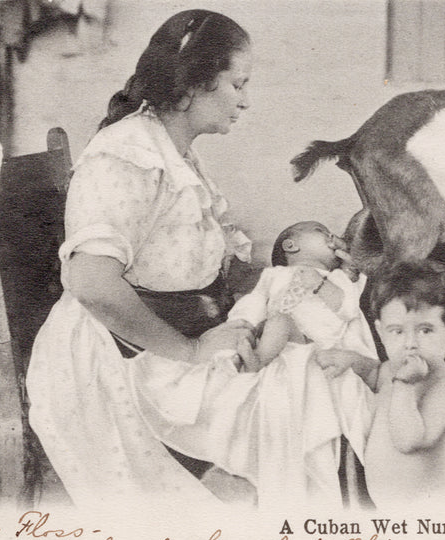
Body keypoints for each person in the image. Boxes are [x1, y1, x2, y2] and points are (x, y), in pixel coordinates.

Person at [26, 10, 371, 510]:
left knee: (319, 364)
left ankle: (295, 524)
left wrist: (306, 272)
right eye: (237, 84)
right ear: (193, 85)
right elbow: (93, 283)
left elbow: (198, 263)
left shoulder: (174, 153)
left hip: (176, 331)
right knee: (300, 387)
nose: (246, 101)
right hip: (117, 356)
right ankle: (283, 531)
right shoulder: (126, 156)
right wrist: (189, 352)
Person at [362, 261, 445, 510]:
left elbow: (408, 441)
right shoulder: (389, 370)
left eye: (425, 330)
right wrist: (352, 362)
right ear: (380, 332)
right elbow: (375, 375)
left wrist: (406, 384)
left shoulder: (443, 387)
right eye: (397, 332)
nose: (410, 344)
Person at [229, 220, 372, 370]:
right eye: (321, 231)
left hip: (320, 342)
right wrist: (244, 321)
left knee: (279, 322)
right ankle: (257, 360)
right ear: (290, 245)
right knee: (278, 321)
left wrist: (321, 284)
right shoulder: (273, 275)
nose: (332, 237)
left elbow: (349, 308)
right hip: (286, 336)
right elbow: (255, 299)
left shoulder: (336, 277)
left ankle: (257, 361)